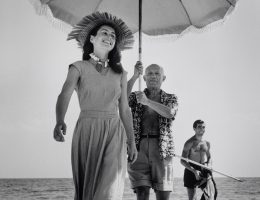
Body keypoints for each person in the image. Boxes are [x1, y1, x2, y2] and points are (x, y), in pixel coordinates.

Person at [53, 12, 138, 200]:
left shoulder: (121, 73)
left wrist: (131, 141)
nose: (109, 37)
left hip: (114, 131)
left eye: (113, 36)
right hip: (87, 129)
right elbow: (65, 94)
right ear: (92, 38)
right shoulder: (78, 67)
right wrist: (59, 120)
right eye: (105, 33)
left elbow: (124, 109)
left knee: (109, 190)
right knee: (87, 191)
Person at [127, 62, 178, 200]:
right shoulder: (137, 96)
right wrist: (133, 77)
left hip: (162, 149)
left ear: (164, 78)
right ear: (144, 78)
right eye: (149, 73)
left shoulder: (170, 98)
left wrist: (147, 102)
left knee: (162, 195)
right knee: (142, 192)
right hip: (138, 148)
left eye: (157, 73)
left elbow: (170, 113)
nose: (153, 76)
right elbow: (121, 99)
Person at [181, 119, 217, 200]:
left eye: (203, 127)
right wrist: (194, 171)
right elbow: (182, 160)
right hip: (191, 169)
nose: (202, 129)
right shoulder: (189, 143)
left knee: (212, 195)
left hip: (204, 168)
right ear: (194, 128)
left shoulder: (207, 143)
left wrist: (209, 165)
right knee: (192, 198)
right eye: (199, 127)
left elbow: (209, 157)